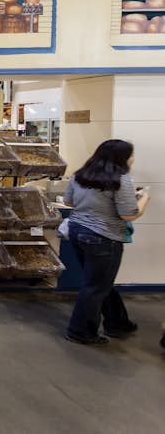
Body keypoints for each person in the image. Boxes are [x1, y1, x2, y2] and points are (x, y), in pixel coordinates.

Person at [64, 139, 150, 346]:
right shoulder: (121, 180)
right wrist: (144, 198)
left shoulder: (80, 175)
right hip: (104, 238)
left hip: (77, 232)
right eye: (131, 154)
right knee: (95, 287)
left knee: (100, 283)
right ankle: (80, 331)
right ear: (121, 158)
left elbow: (68, 202)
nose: (133, 158)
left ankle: (118, 322)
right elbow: (129, 214)